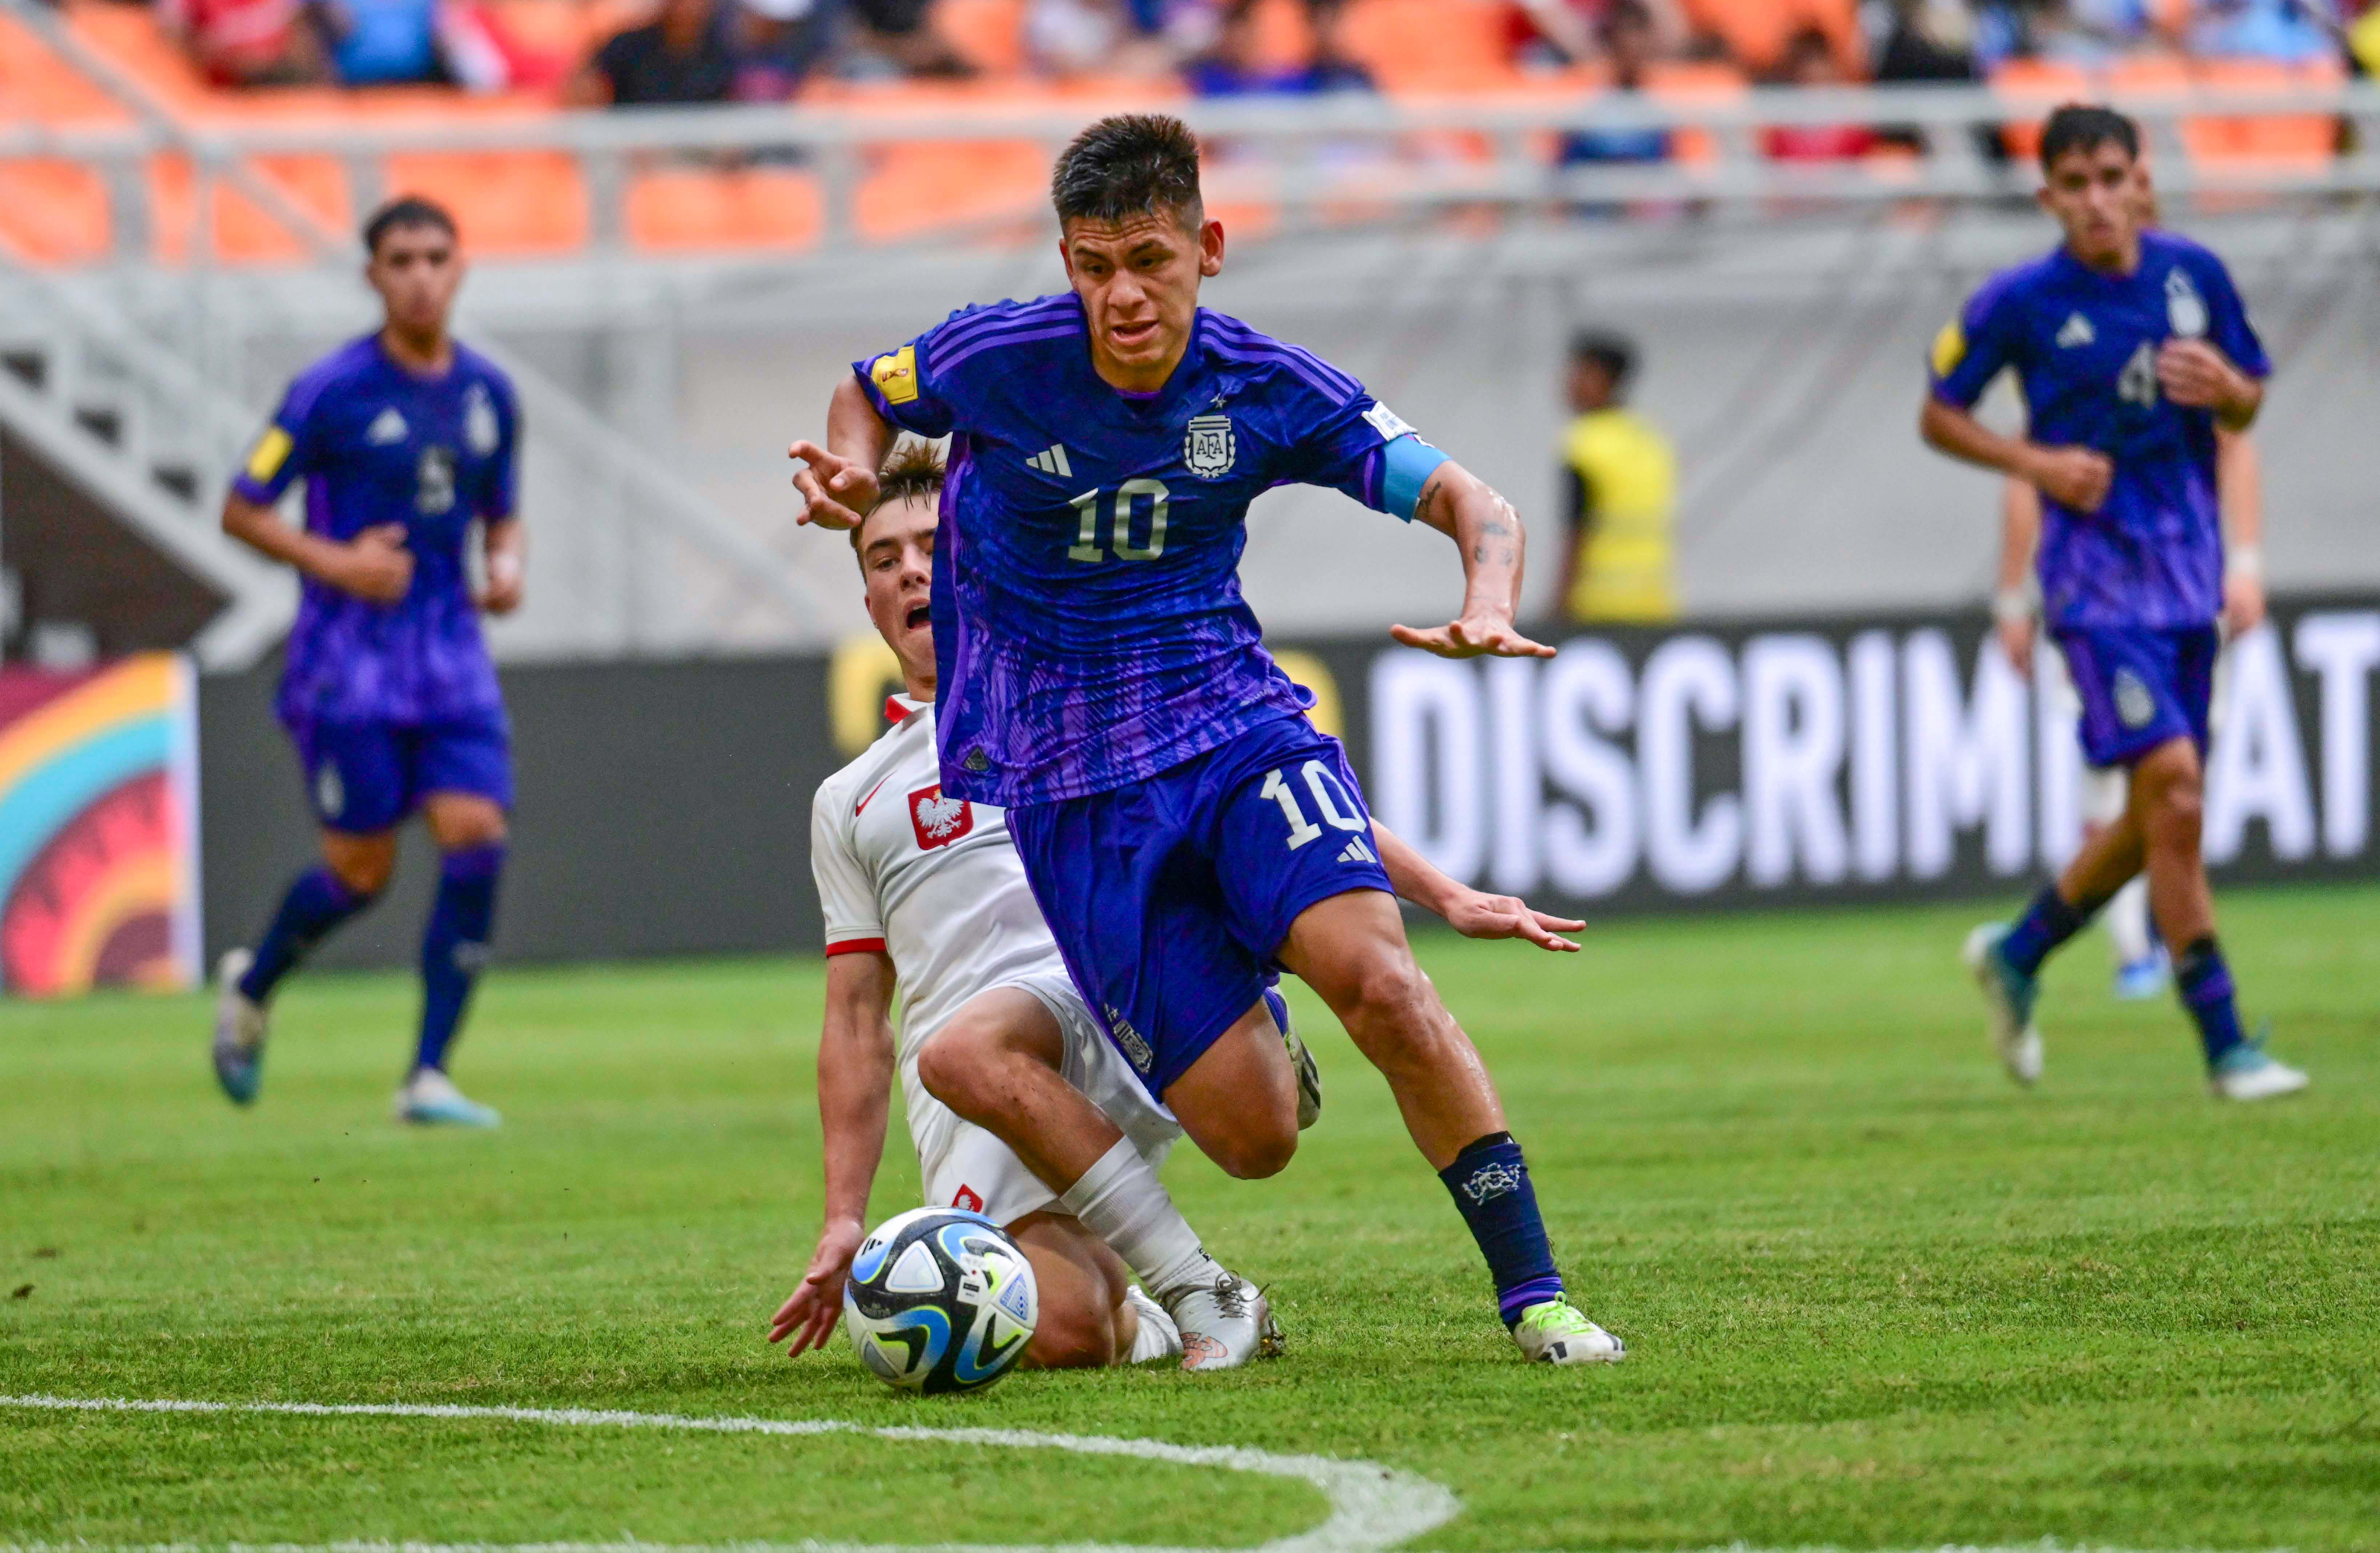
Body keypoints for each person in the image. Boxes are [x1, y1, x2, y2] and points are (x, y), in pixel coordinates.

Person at [789, 113, 1627, 1365]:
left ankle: (1537, 1298)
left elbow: (1469, 498)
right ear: (1066, 262)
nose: (1122, 295)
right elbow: (867, 392)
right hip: (1069, 788)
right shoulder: (999, 358)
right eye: (1094, 267)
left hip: (1231, 728)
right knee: (1253, 1138)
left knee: (1382, 983)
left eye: (1150, 260)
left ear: (1208, 248)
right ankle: (1255, 992)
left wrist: (1489, 594)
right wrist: (852, 472)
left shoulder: (1265, 386)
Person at [768, 447, 1212, 1372]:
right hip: (971, 1093)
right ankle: (1139, 1312)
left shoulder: (1083, 700)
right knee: (1063, 1334)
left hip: (1105, 1027)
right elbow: (855, 1019)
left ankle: (1198, 1276)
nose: (911, 571)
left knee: (1255, 1108)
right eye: (884, 559)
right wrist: (844, 1216)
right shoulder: (850, 799)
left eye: (932, 546)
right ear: (870, 602)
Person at [1919, 103, 2306, 1102]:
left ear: (2141, 180)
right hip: (2093, 587)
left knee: (2158, 812)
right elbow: (1939, 414)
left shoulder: (2194, 276)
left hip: (2189, 578)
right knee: (2174, 788)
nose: (2095, 200)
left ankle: (2018, 950)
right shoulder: (2021, 302)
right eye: (2075, 184)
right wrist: (2034, 462)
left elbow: (2250, 400)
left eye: (2110, 178)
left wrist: (2229, 388)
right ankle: (2225, 1042)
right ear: (2047, 196)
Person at [212, 196, 523, 1128]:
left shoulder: (490, 395)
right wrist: (338, 562)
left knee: (476, 833)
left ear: (460, 268)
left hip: (452, 657)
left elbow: (501, 512)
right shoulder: (328, 391)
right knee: (359, 872)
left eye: (436, 257)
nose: (421, 277)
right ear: (373, 276)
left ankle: (427, 1074)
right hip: (348, 666)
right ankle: (254, 985)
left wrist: (506, 565)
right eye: (401, 260)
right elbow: (242, 506)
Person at [1555, 330, 1677, 623]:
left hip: (1597, 606)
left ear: (1603, 379)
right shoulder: (1651, 440)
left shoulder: (1583, 444)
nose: (1569, 384)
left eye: (1579, 373)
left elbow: (1577, 531)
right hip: (1654, 603)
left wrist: (1557, 608)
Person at [568, 0, 735, 107]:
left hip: (700, 151)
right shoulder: (628, 46)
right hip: (632, 147)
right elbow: (584, 87)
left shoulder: (726, 50)